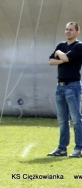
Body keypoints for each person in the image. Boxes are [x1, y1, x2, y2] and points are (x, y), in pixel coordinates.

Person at [47, 22, 82, 158]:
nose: (68, 32)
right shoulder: (61, 45)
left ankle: (79, 148)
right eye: (66, 29)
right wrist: (62, 59)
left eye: (71, 30)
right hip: (60, 86)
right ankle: (62, 148)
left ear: (77, 32)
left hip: (72, 86)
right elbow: (50, 61)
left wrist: (59, 54)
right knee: (62, 120)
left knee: (76, 119)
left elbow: (67, 57)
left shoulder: (79, 46)